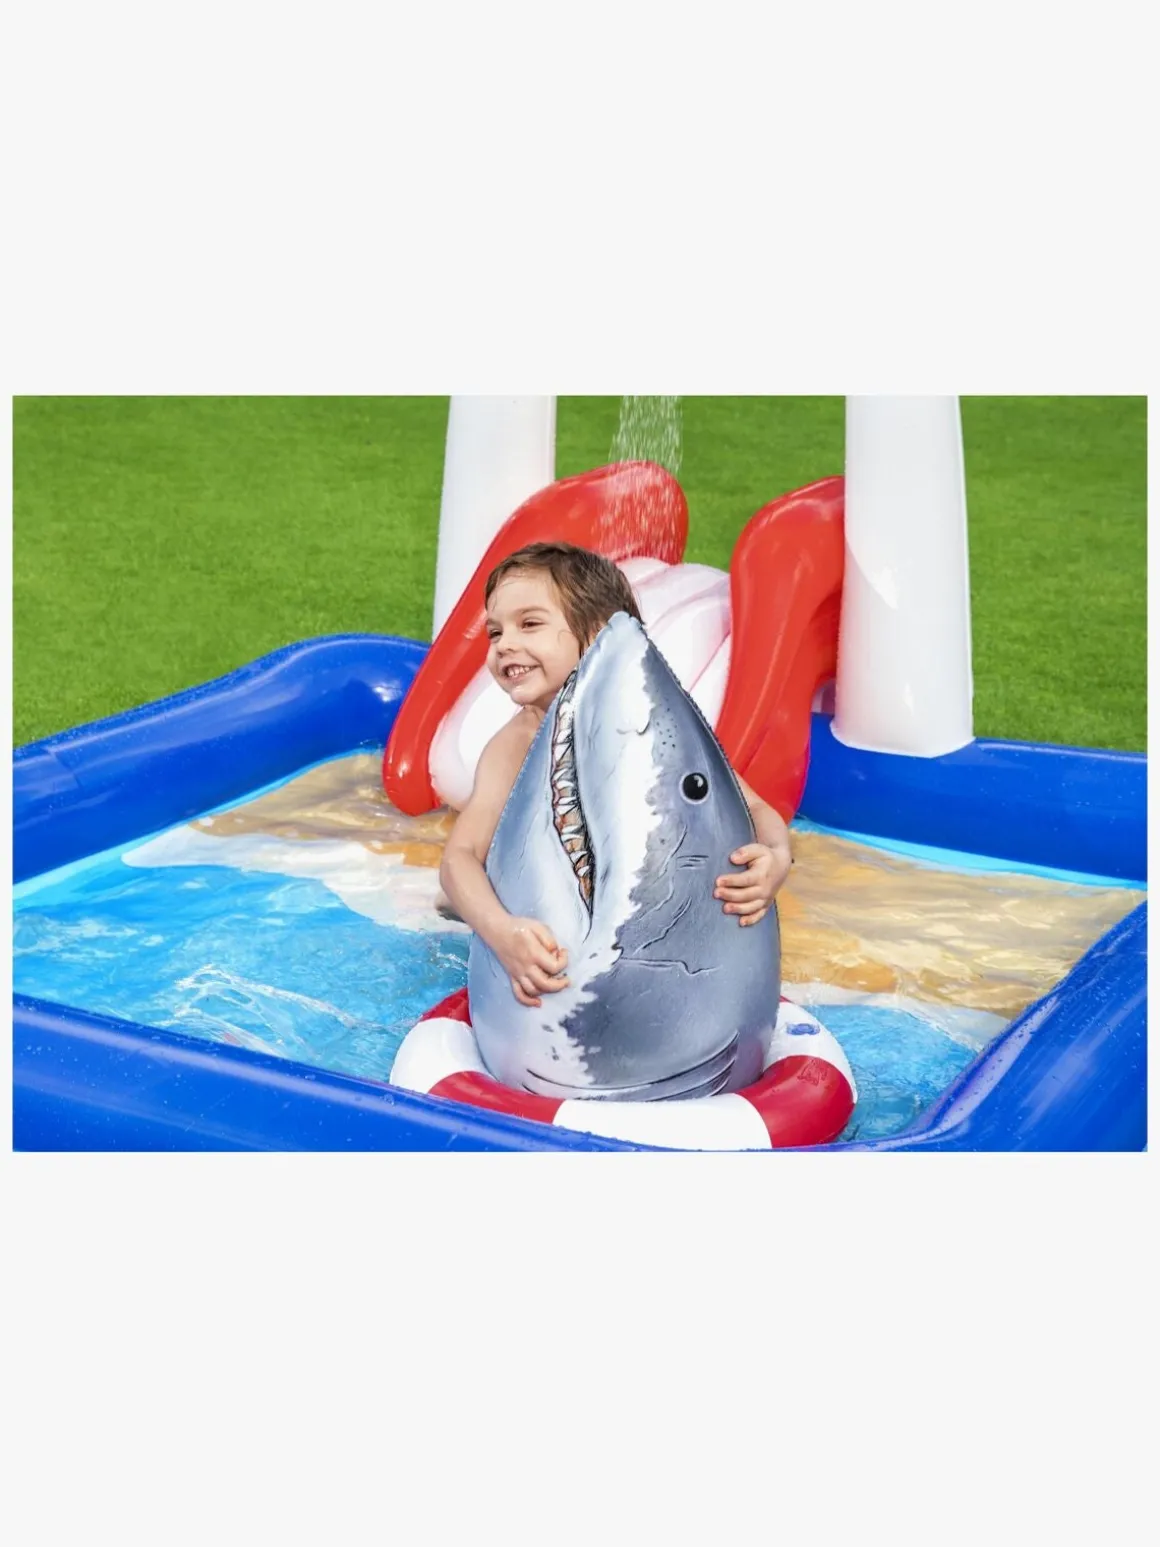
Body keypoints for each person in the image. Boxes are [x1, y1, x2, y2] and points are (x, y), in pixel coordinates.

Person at [439, 541, 793, 1008]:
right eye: (495, 631)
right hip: (550, 949)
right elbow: (460, 857)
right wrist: (502, 932)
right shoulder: (513, 747)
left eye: (529, 624)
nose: (503, 644)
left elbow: (753, 807)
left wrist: (776, 857)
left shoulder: (648, 728)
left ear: (599, 636)